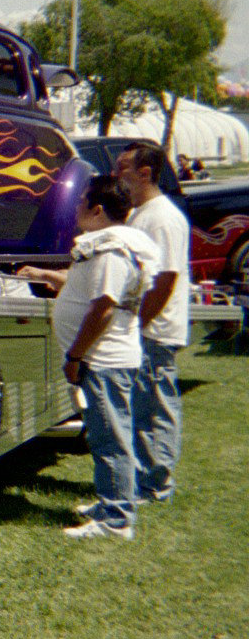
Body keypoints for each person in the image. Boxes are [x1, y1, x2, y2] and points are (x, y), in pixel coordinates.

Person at [19, 176, 158, 540]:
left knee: (110, 438)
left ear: (98, 210)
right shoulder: (110, 248)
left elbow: (103, 308)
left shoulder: (112, 251)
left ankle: (116, 521)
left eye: (82, 202)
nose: (76, 207)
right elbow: (88, 287)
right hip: (107, 360)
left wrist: (76, 355)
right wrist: (46, 274)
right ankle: (112, 502)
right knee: (107, 434)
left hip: (104, 360)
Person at [114, 141, 191, 505]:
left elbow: (166, 279)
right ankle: (145, 477)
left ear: (145, 173)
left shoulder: (161, 217)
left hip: (154, 331)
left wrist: (137, 324)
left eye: (123, 169)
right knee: (141, 407)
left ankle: (155, 483)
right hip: (142, 327)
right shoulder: (139, 213)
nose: (117, 177)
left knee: (155, 407)